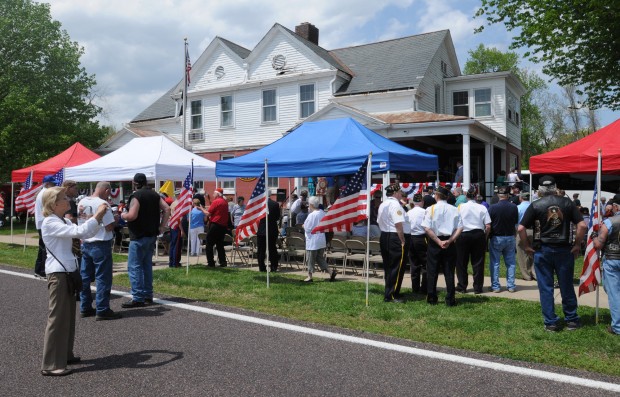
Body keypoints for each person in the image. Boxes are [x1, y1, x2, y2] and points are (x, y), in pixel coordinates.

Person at [40, 186, 107, 376]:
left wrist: (96, 218)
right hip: (58, 274)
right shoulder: (50, 222)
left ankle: (65, 355)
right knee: (57, 318)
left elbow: (84, 232)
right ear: (54, 204)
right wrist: (99, 214)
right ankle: (51, 364)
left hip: (67, 273)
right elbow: (80, 232)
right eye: (64, 198)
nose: (68, 199)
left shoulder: (61, 220)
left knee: (67, 317)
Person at [518, 175, 587, 332]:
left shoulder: (536, 205)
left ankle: (551, 322)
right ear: (555, 187)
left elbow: (521, 228)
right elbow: (582, 226)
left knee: (546, 287)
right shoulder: (568, 203)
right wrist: (577, 245)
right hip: (564, 249)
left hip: (543, 249)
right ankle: (571, 320)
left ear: (540, 189)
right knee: (566, 285)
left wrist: (527, 247)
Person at [120, 173, 170, 308]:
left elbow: (132, 215)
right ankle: (148, 295)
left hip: (138, 235)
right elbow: (167, 208)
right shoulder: (155, 194)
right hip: (151, 234)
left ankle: (137, 297)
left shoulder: (136, 196)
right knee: (147, 266)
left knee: (134, 267)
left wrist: (122, 215)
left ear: (135, 183)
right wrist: (162, 226)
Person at [77, 182, 122, 321]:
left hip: (86, 242)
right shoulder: (103, 204)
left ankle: (85, 307)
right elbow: (109, 227)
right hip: (100, 242)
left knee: (85, 277)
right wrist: (116, 220)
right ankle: (102, 309)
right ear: (106, 190)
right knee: (103, 277)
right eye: (109, 191)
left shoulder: (82, 201)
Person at [421, 186, 463, 306]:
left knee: (432, 271)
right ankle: (450, 299)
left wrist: (438, 241)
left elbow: (426, 227)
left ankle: (432, 297)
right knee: (449, 271)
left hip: (435, 241)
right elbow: (460, 228)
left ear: (437, 196)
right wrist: (450, 240)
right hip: (448, 241)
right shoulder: (454, 209)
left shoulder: (431, 209)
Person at [455, 187, 491, 294]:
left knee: (461, 262)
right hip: (478, 234)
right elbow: (488, 226)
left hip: (463, 234)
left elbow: (456, 222)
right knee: (478, 262)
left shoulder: (460, 207)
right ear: (476, 196)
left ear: (466, 196)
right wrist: (484, 237)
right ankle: (478, 287)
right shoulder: (482, 207)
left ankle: (462, 286)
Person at [592, 202, 620, 335]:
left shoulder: (610, 222)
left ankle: (618, 326)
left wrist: (593, 236)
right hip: (613, 258)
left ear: (617, 207)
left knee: (614, 293)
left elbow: (598, 244)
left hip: (613, 259)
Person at [377, 184, 407, 303]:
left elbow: (379, 221)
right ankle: (391, 295)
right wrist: (402, 239)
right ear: (395, 193)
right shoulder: (395, 205)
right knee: (396, 266)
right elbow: (398, 224)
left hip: (385, 235)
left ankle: (389, 292)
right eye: (399, 192)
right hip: (394, 236)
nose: (401, 194)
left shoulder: (383, 204)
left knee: (388, 266)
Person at [488, 186, 519, 293]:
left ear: (498, 195)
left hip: (497, 237)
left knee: (495, 263)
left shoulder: (492, 207)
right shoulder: (513, 207)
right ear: (508, 195)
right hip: (510, 236)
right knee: (511, 263)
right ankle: (511, 285)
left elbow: (489, 224)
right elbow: (515, 222)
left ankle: (496, 286)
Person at [302, 196, 337, 282]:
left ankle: (309, 276)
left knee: (310, 259)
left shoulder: (312, 215)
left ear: (311, 205)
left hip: (313, 240)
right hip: (321, 239)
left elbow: (308, 228)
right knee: (319, 258)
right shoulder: (323, 213)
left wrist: (303, 226)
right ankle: (330, 272)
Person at [34, 175, 58, 278]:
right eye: (53, 183)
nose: (55, 185)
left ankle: (38, 270)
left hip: (41, 223)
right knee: (45, 248)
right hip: (44, 223)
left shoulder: (42, 193)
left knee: (42, 247)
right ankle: (42, 271)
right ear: (47, 184)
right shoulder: (45, 193)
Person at [407, 194, 428, 294]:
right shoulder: (425, 212)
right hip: (422, 237)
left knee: (414, 264)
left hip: (411, 238)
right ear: (422, 202)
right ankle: (424, 287)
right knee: (425, 264)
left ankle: (415, 288)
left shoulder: (409, 212)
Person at [203, 188, 229, 267]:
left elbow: (208, 213)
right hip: (223, 226)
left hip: (215, 224)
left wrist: (201, 208)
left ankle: (211, 262)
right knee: (219, 244)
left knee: (209, 243)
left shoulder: (216, 201)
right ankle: (223, 262)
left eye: (214, 194)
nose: (213, 195)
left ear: (217, 194)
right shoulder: (225, 202)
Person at [257, 197, 281, 272]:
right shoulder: (275, 204)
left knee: (261, 250)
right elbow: (277, 217)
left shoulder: (259, 204)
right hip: (272, 229)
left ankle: (262, 267)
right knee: (272, 249)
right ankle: (273, 267)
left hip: (261, 229)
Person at [516, 192, 535, 281]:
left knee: (522, 253)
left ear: (521, 198)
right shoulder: (534, 206)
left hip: (521, 230)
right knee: (534, 252)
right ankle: (535, 273)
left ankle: (526, 275)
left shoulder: (518, 207)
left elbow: (516, 222)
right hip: (533, 231)